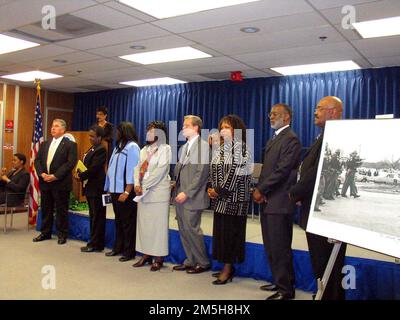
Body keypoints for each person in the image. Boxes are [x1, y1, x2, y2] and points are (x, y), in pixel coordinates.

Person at [290, 96, 347, 300]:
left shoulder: (335, 136)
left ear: (333, 112)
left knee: (328, 261)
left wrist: (295, 192)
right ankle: (324, 294)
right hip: (315, 208)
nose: (315, 112)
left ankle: (330, 295)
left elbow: (317, 171)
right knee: (321, 262)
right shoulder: (325, 134)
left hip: (325, 214)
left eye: (320, 109)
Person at [253, 104, 301, 300]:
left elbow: (282, 171)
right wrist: (262, 192)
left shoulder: (291, 139)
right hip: (269, 200)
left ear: (287, 117)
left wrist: (261, 189)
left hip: (280, 202)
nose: (271, 117)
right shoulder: (275, 138)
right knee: (271, 245)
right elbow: (267, 170)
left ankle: (286, 290)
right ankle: (279, 281)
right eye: (270, 114)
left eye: (275, 114)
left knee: (280, 246)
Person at [208, 115, 252, 285]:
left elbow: (234, 174)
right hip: (220, 199)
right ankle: (225, 266)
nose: (223, 130)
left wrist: (217, 191)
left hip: (235, 200)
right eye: (222, 127)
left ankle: (228, 269)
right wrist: (211, 189)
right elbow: (214, 171)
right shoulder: (221, 149)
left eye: (227, 127)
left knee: (231, 235)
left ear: (236, 130)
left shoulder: (242, 149)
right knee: (221, 234)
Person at [173, 115, 210, 274]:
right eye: (183, 125)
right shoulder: (184, 147)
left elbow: (201, 174)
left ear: (196, 128)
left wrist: (187, 193)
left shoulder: (203, 147)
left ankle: (203, 262)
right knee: (183, 229)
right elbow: (179, 171)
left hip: (192, 197)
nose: (183, 128)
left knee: (193, 230)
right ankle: (190, 260)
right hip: (180, 195)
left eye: (186, 125)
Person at [133, 121, 172, 271]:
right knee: (144, 226)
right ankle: (146, 254)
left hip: (157, 193)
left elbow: (160, 172)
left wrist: (143, 185)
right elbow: (137, 168)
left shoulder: (166, 149)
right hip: (142, 193)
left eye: (152, 131)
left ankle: (159, 257)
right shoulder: (144, 149)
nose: (148, 133)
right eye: (148, 131)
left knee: (158, 227)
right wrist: (136, 184)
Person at [33, 119, 78, 245]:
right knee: (46, 208)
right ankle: (45, 232)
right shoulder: (45, 144)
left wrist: (55, 176)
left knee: (61, 210)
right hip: (45, 181)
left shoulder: (70, 145)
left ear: (63, 130)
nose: (53, 128)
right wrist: (42, 174)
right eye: (52, 126)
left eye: (56, 126)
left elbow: (70, 163)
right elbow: (37, 161)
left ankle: (62, 234)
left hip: (60, 182)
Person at [104, 122, 140, 262]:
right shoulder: (118, 147)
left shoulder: (132, 147)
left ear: (124, 131)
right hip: (114, 190)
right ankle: (118, 247)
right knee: (118, 221)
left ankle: (129, 251)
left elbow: (133, 170)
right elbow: (112, 167)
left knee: (128, 223)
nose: (116, 134)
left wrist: (126, 191)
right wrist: (108, 188)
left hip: (125, 191)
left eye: (118, 131)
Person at [74, 125, 107, 253]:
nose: (90, 138)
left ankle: (97, 244)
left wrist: (81, 176)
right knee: (93, 215)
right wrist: (78, 173)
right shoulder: (92, 148)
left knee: (98, 216)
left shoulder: (101, 149)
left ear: (99, 137)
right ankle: (93, 241)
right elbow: (85, 165)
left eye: (93, 136)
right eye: (89, 136)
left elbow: (94, 168)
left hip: (97, 187)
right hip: (89, 187)